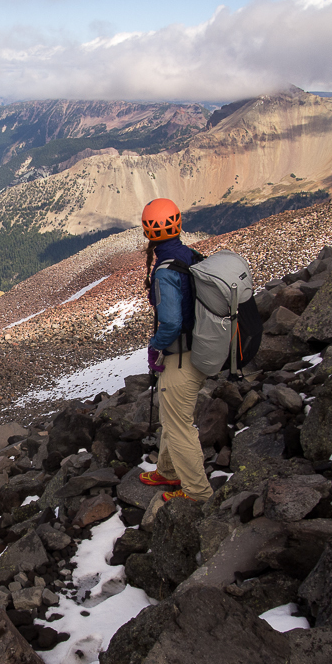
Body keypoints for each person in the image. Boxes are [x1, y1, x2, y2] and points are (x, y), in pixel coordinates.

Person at [137, 198, 213, 503]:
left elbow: (170, 322)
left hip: (181, 358)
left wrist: (155, 348)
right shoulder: (189, 255)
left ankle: (197, 492)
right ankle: (168, 471)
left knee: (180, 427)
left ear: (148, 232)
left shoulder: (165, 269)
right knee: (172, 417)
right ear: (178, 224)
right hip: (201, 348)